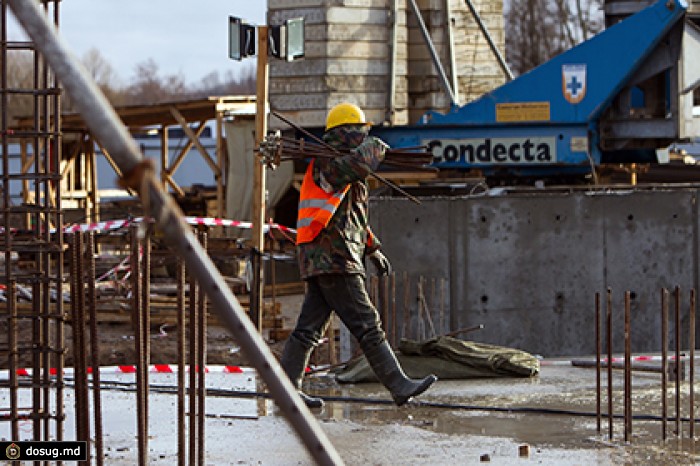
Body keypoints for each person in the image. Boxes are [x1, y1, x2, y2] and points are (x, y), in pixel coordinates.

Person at [279, 102, 437, 408]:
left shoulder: (342, 165)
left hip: (330, 256)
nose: (366, 135)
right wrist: (375, 147)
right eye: (362, 131)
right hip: (333, 258)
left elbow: (351, 218)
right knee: (367, 323)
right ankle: (399, 384)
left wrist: (372, 247)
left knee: (308, 330)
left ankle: (286, 393)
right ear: (349, 133)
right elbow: (358, 165)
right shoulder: (330, 163)